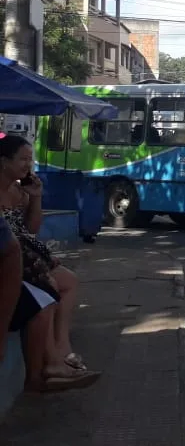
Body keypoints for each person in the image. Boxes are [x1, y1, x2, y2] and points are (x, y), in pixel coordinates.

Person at [0, 135, 91, 379]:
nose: (28, 165)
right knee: (48, 288)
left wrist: (36, 197)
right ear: (4, 162)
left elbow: (31, 229)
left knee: (69, 281)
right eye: (23, 159)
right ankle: (50, 362)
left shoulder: (20, 192)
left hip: (29, 259)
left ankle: (63, 348)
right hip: (13, 264)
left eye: (30, 159)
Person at [1, 215, 98, 392]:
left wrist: (33, 197)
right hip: (16, 270)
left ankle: (61, 351)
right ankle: (40, 375)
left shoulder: (16, 196)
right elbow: (13, 249)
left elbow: (29, 230)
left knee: (62, 283)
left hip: (23, 265)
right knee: (43, 296)